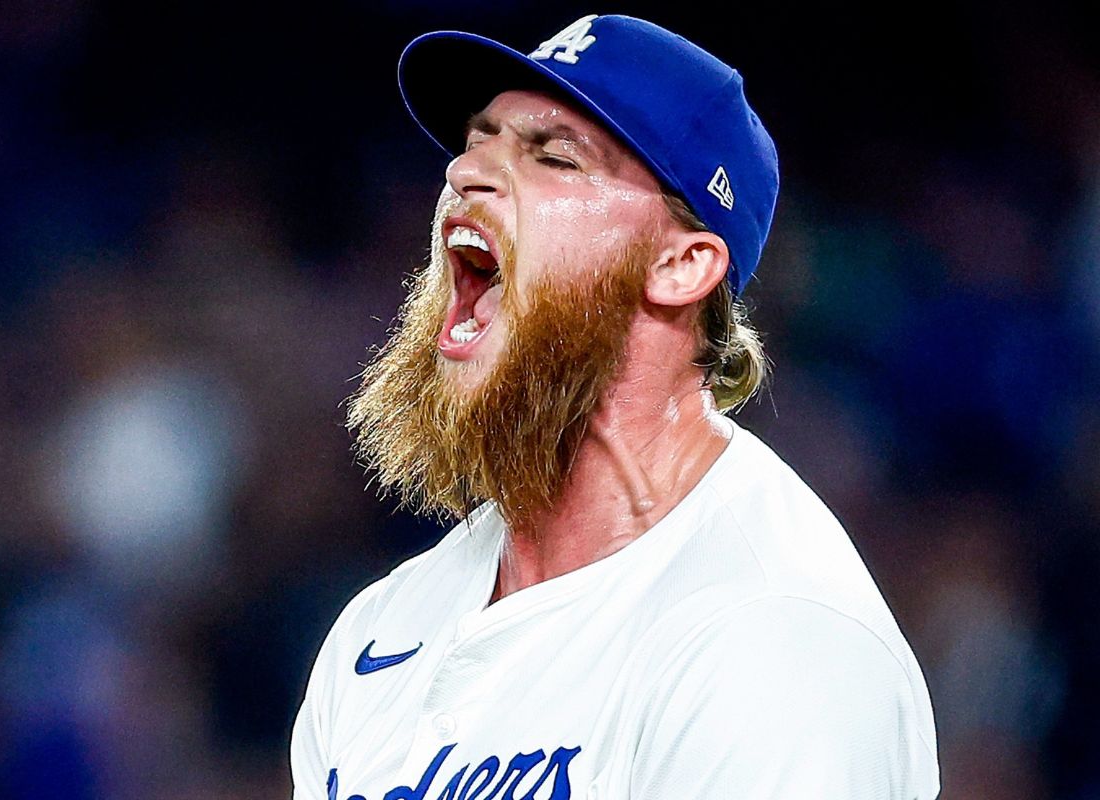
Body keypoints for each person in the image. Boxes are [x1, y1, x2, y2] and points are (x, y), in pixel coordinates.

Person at [290, 14, 939, 800]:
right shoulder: (382, 625)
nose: (468, 172)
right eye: (478, 138)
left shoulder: (770, 636)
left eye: (554, 156)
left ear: (680, 264)